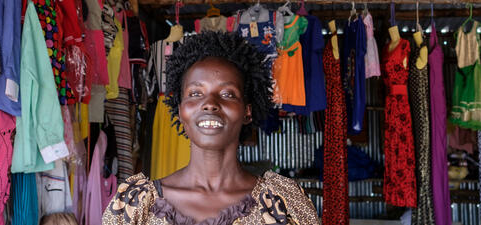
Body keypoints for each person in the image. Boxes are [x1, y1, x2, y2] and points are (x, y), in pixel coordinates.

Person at [102, 31, 320, 225]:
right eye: (196, 94)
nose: (210, 103)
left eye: (227, 94)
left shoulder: (284, 203)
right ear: (180, 111)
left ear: (247, 111)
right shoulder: (133, 205)